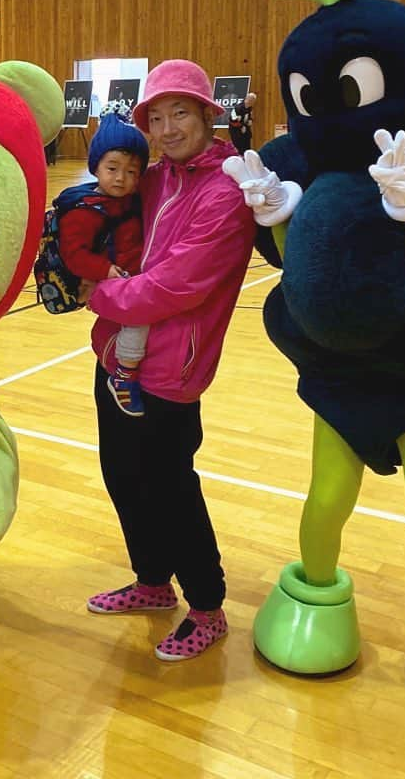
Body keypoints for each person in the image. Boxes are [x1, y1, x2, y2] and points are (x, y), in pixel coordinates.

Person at [81, 59, 256, 662]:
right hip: (115, 357)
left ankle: (207, 607)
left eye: (179, 112)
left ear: (209, 114)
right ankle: (154, 583)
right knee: (123, 478)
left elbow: (175, 285)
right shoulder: (155, 179)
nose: (167, 127)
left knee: (172, 489)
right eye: (156, 117)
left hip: (169, 370)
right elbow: (103, 216)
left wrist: (94, 293)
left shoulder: (225, 191)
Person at [56, 112, 150, 416]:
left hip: (129, 276)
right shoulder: (83, 210)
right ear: (95, 167)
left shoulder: (128, 200)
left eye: (132, 172)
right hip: (112, 280)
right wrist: (105, 271)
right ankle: (124, 375)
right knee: (140, 320)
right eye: (112, 169)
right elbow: (74, 255)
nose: (121, 178)